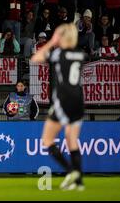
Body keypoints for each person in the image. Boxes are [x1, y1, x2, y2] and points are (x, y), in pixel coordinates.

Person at [31, 23, 87, 191]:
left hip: (63, 99)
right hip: (78, 99)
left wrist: (51, 42)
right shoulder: (80, 54)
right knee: (72, 141)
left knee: (47, 140)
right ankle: (79, 183)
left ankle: (71, 172)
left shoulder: (58, 53)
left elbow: (36, 58)